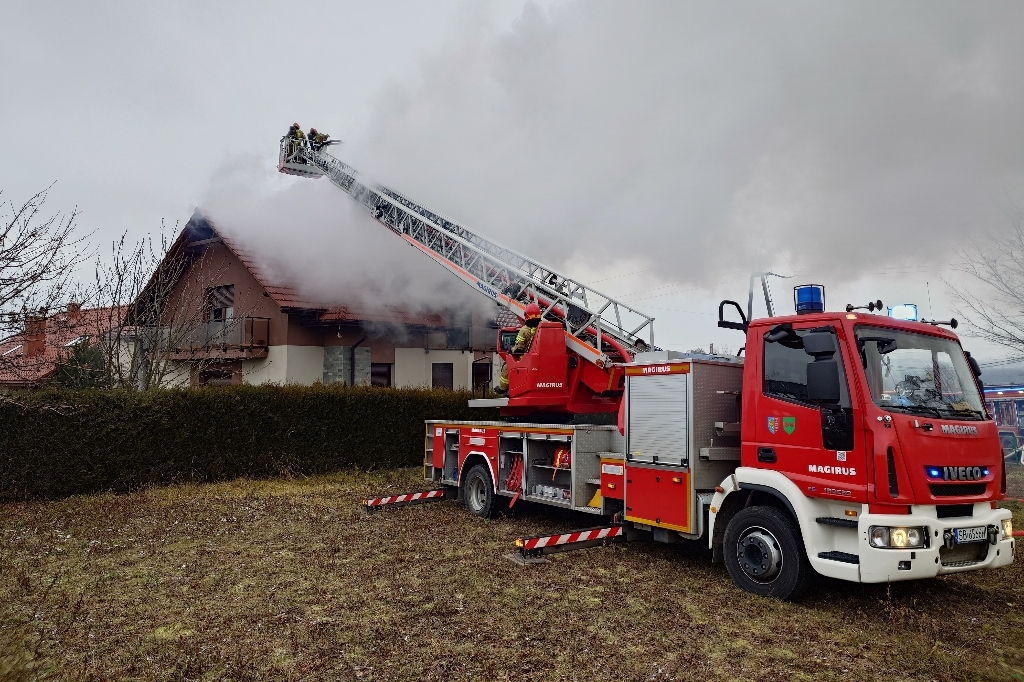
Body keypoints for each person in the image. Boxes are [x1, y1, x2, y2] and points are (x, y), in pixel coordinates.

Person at [494, 302, 542, 396]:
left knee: (507, 366)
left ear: (527, 316)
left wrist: (511, 350)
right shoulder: (542, 328)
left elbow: (518, 348)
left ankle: (504, 388)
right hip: (540, 358)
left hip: (526, 358)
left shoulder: (524, 330)